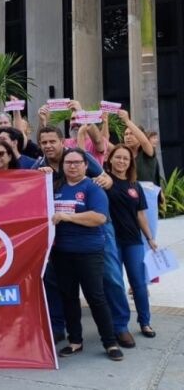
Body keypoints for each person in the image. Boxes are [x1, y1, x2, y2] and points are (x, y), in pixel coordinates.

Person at [51, 148, 123, 361]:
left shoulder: (93, 188)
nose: (72, 166)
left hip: (89, 252)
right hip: (61, 253)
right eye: (68, 162)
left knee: (96, 297)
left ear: (85, 165)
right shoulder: (56, 187)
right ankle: (75, 341)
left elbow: (99, 217)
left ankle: (110, 343)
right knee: (69, 298)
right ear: (63, 166)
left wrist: (68, 216)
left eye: (76, 162)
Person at [103, 144, 158, 339]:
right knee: (114, 283)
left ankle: (145, 321)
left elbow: (141, 215)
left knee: (139, 283)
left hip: (133, 241)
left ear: (130, 162)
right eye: (118, 157)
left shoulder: (135, 186)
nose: (121, 161)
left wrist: (150, 238)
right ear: (111, 159)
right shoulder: (105, 181)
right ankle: (119, 324)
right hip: (111, 242)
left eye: (125, 158)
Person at [119, 109, 160, 185]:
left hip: (147, 194)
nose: (128, 137)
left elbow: (144, 142)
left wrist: (127, 121)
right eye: (126, 134)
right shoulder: (122, 156)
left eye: (132, 134)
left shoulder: (147, 153)